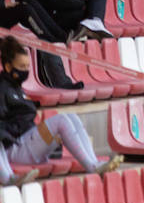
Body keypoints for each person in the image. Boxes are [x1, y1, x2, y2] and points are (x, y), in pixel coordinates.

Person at [0, 37, 119, 186]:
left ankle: (94, 161)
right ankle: (92, 166)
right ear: (8, 67)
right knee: (61, 120)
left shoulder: (17, 87)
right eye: (21, 67)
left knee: (71, 116)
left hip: (28, 144)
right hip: (15, 148)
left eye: (27, 67)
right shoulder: (3, 89)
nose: (25, 71)